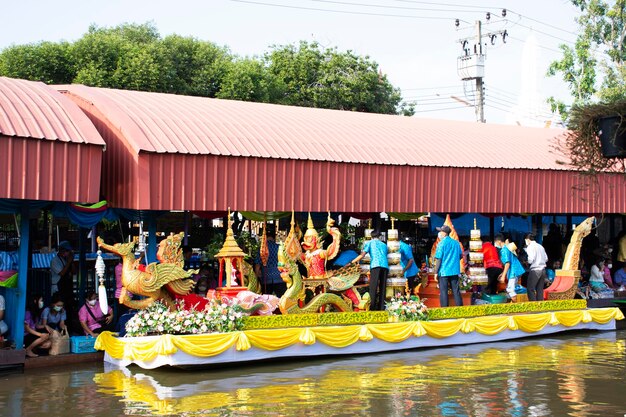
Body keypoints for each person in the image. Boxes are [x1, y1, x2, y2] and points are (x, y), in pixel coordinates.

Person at [352, 230, 389, 311]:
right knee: (383, 287)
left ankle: (372, 308)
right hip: (385, 266)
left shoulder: (369, 243)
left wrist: (352, 262)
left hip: (375, 265)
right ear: (379, 236)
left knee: (373, 287)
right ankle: (382, 307)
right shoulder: (384, 245)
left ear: (371, 236)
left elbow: (362, 255)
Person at [433, 225, 463, 307]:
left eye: (440, 231)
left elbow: (439, 259)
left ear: (444, 233)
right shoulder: (456, 243)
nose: (439, 233)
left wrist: (435, 272)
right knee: (456, 291)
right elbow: (460, 256)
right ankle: (460, 309)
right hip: (454, 271)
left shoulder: (441, 244)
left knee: (443, 291)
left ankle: (445, 310)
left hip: (444, 271)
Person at [254, 225, 286, 297]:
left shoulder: (261, 249)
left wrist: (257, 278)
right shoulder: (279, 248)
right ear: (274, 236)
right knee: (282, 300)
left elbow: (257, 266)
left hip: (266, 278)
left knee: (266, 301)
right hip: (279, 277)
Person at [495, 234, 525, 303]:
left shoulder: (504, 250)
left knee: (510, 290)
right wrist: (503, 273)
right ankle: (507, 305)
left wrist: (503, 276)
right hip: (516, 270)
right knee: (508, 290)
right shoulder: (507, 248)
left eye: (496, 242)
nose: (496, 245)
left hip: (513, 271)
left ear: (499, 241)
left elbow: (507, 263)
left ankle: (517, 308)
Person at [524, 233, 548, 301]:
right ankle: (540, 306)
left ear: (527, 240)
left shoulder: (530, 247)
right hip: (543, 270)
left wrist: (526, 262)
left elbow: (531, 259)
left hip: (535, 270)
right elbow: (546, 258)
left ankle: (533, 305)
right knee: (539, 289)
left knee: (530, 289)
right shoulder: (540, 246)